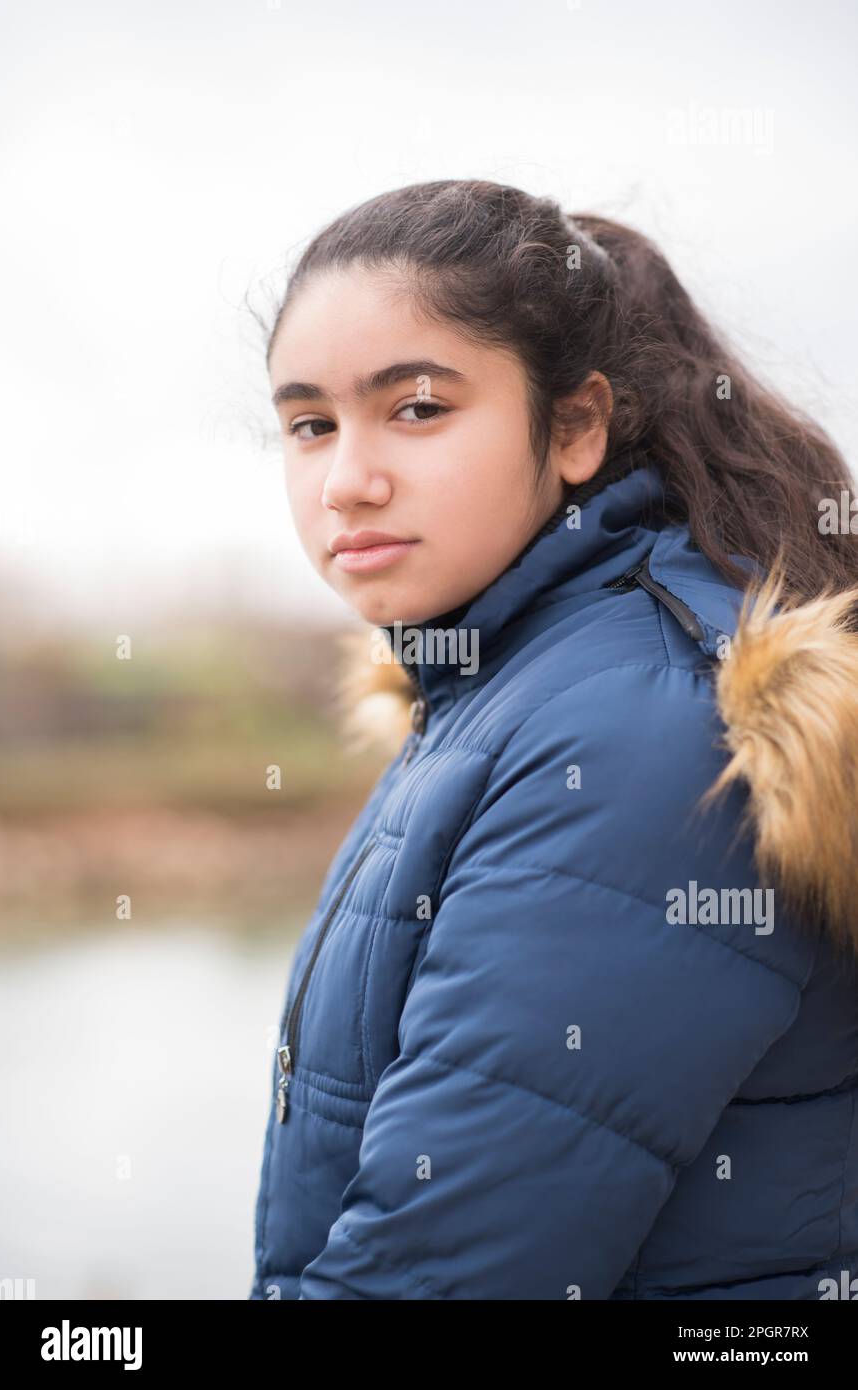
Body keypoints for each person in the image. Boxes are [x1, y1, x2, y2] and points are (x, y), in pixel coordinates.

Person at [248, 179, 858, 1300]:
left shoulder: (644, 732)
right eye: (310, 424)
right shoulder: (497, 689)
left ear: (575, 426)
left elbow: (441, 1275)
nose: (348, 480)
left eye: (419, 407)